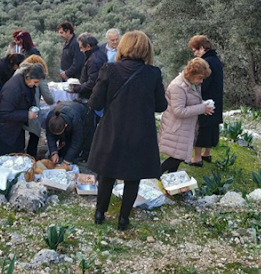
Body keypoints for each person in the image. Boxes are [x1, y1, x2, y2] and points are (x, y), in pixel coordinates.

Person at [88, 31, 168, 231]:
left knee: (107, 173)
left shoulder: (109, 69)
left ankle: (100, 213)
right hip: (140, 133)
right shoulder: (153, 73)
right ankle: (123, 219)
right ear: (146, 49)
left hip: (112, 129)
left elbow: (94, 102)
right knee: (133, 176)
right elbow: (161, 105)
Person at [158, 58, 215, 173]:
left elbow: (191, 103)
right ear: (191, 74)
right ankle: (154, 176)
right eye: (200, 78)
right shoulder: (178, 86)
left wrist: (203, 106)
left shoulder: (192, 83)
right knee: (177, 157)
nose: (201, 81)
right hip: (176, 128)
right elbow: (179, 111)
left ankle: (170, 183)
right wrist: (201, 108)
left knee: (177, 157)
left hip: (184, 128)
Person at [0, 64, 46, 156]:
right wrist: (26, 115)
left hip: (17, 126)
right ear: (28, 77)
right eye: (35, 82)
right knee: (9, 156)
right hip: (4, 129)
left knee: (19, 151)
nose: (36, 85)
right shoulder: (12, 89)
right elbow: (4, 112)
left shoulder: (28, 84)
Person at [188, 35, 224, 164]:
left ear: (201, 48)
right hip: (216, 100)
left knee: (201, 128)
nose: (194, 54)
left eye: (195, 50)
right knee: (211, 127)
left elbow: (203, 83)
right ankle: (206, 153)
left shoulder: (206, 62)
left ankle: (197, 158)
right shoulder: (216, 60)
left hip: (205, 100)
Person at [15, 55, 55, 157]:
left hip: (18, 110)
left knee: (20, 135)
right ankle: (31, 156)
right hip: (33, 109)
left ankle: (20, 155)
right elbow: (49, 99)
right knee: (34, 134)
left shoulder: (19, 72)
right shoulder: (38, 76)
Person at [70, 33, 108, 99]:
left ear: (88, 46)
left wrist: (77, 88)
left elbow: (92, 82)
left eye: (81, 48)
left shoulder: (93, 60)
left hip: (92, 97)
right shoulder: (101, 53)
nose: (81, 50)